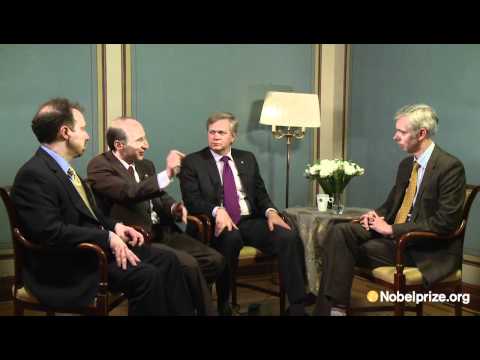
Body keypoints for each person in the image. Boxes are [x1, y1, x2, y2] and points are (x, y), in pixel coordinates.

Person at [11, 98, 195, 316]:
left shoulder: (65, 171)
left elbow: (92, 215)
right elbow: (50, 232)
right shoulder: (34, 174)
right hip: (67, 265)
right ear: (65, 132)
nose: (88, 135)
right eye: (83, 128)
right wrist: (107, 238)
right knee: (148, 276)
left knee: (168, 259)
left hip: (90, 252)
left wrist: (116, 227)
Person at [314, 104, 466, 316]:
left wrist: (391, 230)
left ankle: (333, 311)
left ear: (421, 133)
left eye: (401, 132)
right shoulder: (406, 165)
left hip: (424, 249)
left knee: (342, 249)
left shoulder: (450, 167)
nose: (395, 137)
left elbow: (445, 222)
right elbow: (391, 205)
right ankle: (336, 309)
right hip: (398, 241)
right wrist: (375, 215)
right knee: (339, 230)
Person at [87, 117, 225, 316]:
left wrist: (173, 208)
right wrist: (168, 173)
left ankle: (173, 302)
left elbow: (159, 196)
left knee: (215, 260)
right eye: (140, 140)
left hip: (163, 231)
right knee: (188, 265)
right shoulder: (99, 166)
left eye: (146, 138)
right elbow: (129, 192)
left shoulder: (145, 165)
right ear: (119, 145)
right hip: (138, 238)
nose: (147, 145)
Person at [179, 112, 307, 316]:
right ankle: (224, 304)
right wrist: (217, 210)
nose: (215, 136)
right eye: (211, 132)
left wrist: (271, 212)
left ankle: (298, 306)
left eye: (221, 132)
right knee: (231, 238)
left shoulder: (246, 158)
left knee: (288, 236)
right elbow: (192, 201)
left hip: (249, 220)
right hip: (215, 223)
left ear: (233, 136)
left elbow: (260, 193)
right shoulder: (193, 162)